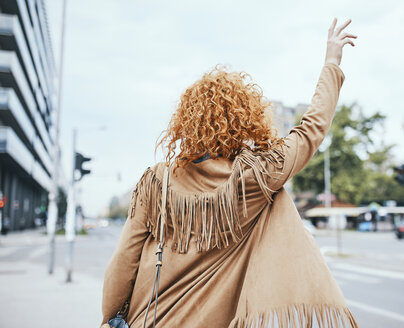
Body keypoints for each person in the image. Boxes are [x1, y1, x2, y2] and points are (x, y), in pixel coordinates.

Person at [101, 18, 358, 328]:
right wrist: (331, 63)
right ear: (246, 120)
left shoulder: (158, 182)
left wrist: (108, 319)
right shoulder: (257, 177)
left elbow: (123, 263)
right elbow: (309, 132)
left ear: (186, 123)